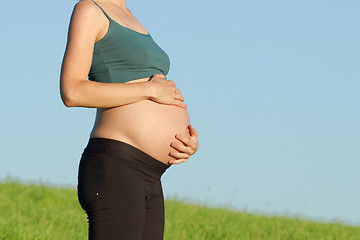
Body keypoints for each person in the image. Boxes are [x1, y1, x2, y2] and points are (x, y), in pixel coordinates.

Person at [59, 0, 199, 239]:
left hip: (151, 174)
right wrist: (150, 91)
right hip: (117, 165)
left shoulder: (132, 18)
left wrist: (185, 141)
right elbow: (72, 91)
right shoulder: (90, 9)